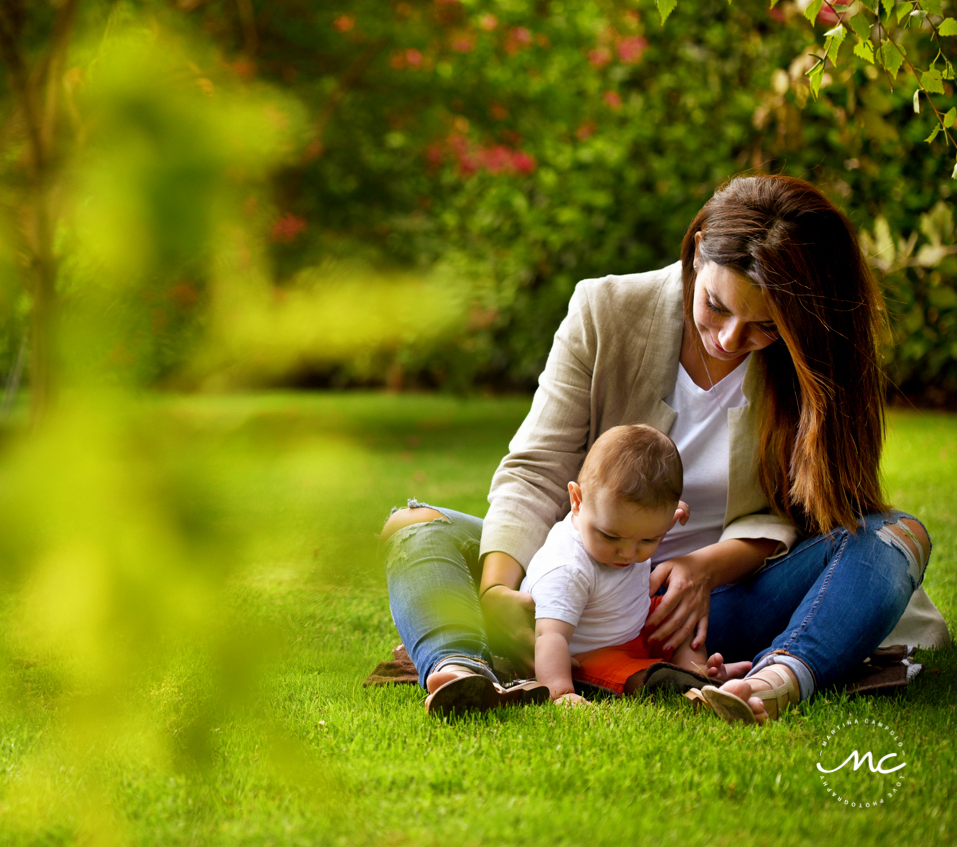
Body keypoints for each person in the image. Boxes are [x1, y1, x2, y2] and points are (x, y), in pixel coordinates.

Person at [380, 174, 947, 724]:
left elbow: (812, 516)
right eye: (717, 307)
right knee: (414, 525)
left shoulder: (811, 362)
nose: (729, 341)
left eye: (764, 326)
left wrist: (704, 568)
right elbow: (536, 469)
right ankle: (460, 670)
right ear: (698, 253)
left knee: (895, 536)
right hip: (576, 588)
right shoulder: (604, 310)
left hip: (712, 613)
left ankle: (772, 682)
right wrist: (500, 590)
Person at [522, 424, 751, 706]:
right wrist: (560, 692)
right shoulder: (567, 567)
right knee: (639, 678)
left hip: (636, 625)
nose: (628, 553)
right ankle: (681, 688)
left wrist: (666, 515)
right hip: (590, 651)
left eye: (648, 539)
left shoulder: (628, 522)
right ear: (577, 501)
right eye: (611, 536)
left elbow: (645, 519)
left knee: (679, 614)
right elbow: (550, 635)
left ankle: (699, 676)